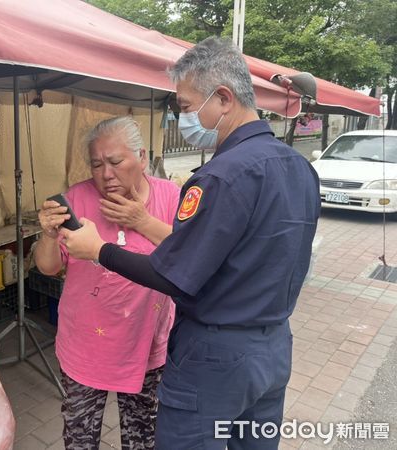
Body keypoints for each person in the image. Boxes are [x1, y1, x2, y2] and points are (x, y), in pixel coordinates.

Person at [61, 37, 321, 449]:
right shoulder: (300, 169)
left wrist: (99, 251)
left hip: (216, 353)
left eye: (185, 106)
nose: (182, 117)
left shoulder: (220, 177)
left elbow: (176, 276)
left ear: (222, 98)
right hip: (273, 347)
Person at [35, 116, 181, 449]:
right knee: (80, 438)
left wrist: (141, 220)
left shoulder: (170, 197)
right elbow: (47, 266)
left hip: (146, 345)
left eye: (115, 162)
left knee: (142, 437)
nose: (106, 174)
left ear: (142, 157)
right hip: (86, 348)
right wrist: (47, 233)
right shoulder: (78, 199)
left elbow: (189, 256)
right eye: (97, 164)